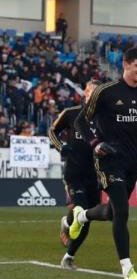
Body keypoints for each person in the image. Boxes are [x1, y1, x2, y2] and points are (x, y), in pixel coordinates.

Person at [67, 48, 137, 279]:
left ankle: (82, 215)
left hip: (133, 160)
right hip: (108, 158)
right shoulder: (105, 91)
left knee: (111, 212)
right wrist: (95, 143)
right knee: (123, 212)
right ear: (126, 64)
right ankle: (128, 270)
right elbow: (80, 121)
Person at [51, 80, 100, 264]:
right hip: (74, 172)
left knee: (87, 218)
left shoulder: (106, 117)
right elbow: (52, 131)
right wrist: (61, 146)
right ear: (85, 93)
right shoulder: (71, 113)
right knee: (81, 211)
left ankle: (69, 251)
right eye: (92, 91)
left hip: (95, 175)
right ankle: (69, 257)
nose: (95, 95)